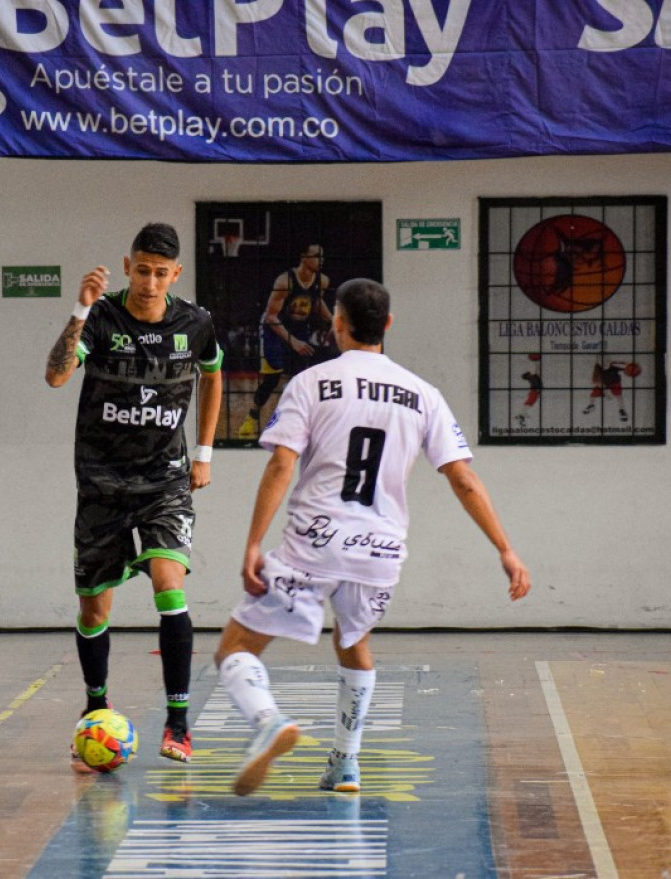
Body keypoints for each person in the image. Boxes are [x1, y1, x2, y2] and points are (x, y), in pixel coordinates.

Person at [214, 278, 531, 797]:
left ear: (335, 322)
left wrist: (253, 543)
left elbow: (281, 465)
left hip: (315, 541)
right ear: (387, 325)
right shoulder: (423, 394)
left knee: (234, 649)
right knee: (353, 640)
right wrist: (506, 549)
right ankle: (345, 762)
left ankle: (268, 721)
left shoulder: (311, 383)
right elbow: (463, 477)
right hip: (381, 550)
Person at [46, 222, 223, 771]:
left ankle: (178, 722)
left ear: (176, 274)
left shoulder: (194, 323)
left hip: (165, 482)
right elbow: (55, 377)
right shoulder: (101, 318)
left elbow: (214, 375)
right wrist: (79, 309)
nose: (150, 282)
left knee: (170, 585)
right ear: (128, 267)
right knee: (94, 605)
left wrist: (204, 452)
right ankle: (96, 708)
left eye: (160, 273)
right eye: (142, 270)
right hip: (101, 482)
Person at [238, 244, 334, 439]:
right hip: (274, 328)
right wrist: (294, 342)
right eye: (316, 256)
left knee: (302, 377)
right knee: (272, 378)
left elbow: (316, 302)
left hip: (299, 327)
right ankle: (252, 416)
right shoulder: (285, 281)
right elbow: (271, 317)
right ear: (304, 257)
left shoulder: (322, 281)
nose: (320, 260)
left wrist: (332, 322)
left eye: (322, 256)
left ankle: (300, 421)